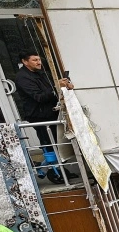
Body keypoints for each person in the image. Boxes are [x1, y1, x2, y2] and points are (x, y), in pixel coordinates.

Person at [13, 51, 74, 183]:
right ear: (25, 61)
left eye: (39, 59)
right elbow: (39, 97)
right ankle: (54, 171)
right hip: (39, 116)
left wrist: (64, 86)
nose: (39, 62)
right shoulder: (22, 77)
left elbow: (51, 91)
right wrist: (55, 86)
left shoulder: (40, 73)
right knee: (48, 142)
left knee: (57, 141)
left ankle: (61, 169)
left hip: (51, 113)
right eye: (35, 60)